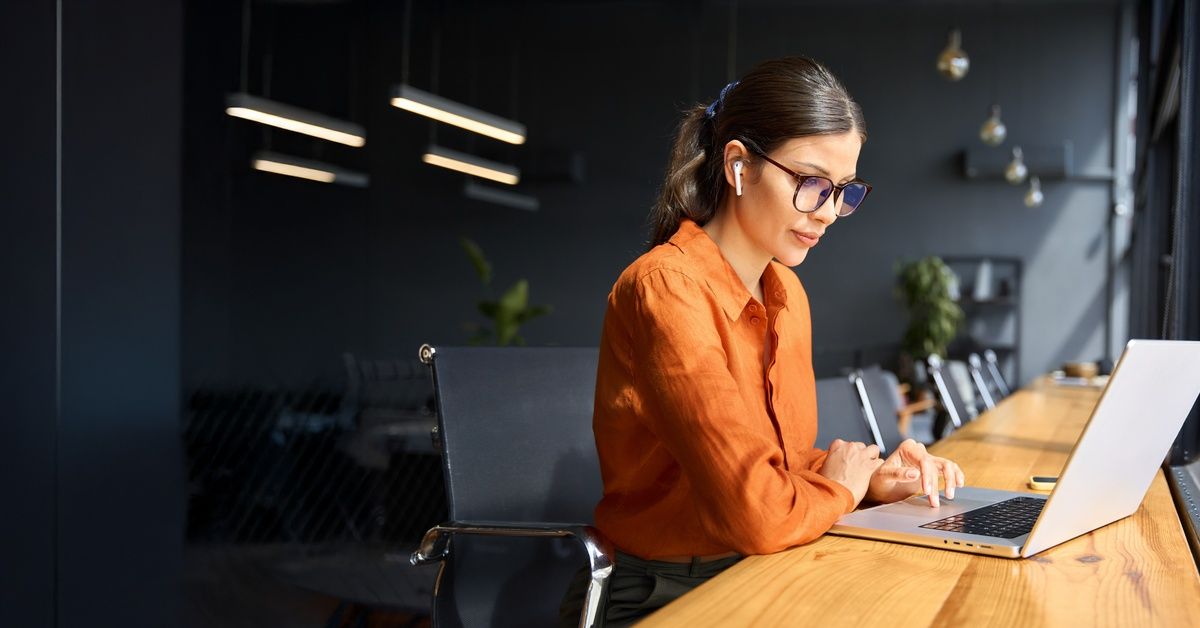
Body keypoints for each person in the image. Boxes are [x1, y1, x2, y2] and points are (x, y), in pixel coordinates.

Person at [560, 56, 965, 627]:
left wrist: (868, 478)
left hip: (760, 568)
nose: (827, 213)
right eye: (810, 183)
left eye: (843, 191)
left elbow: (779, 466)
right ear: (739, 166)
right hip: (663, 595)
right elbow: (755, 512)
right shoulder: (666, 289)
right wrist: (842, 492)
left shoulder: (787, 294)